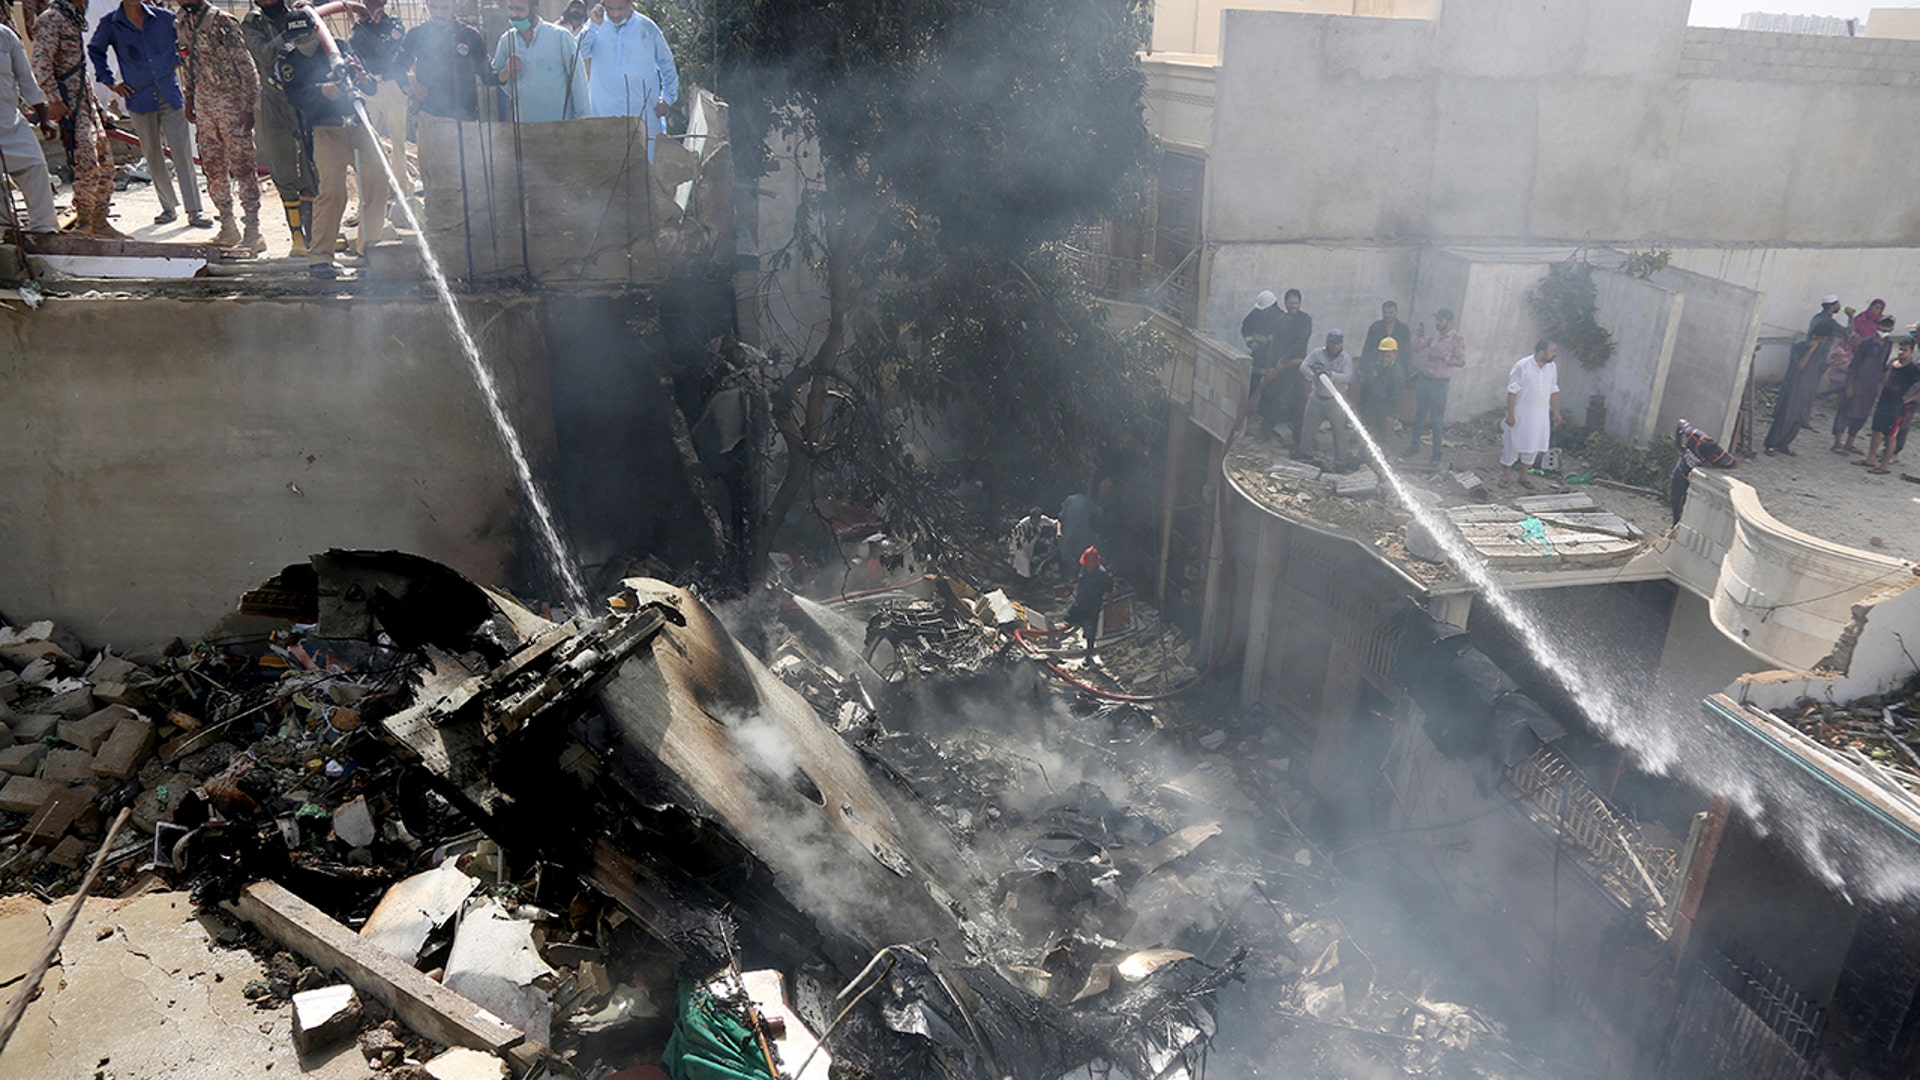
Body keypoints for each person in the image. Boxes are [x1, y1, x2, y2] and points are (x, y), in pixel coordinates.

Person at [271, 8, 388, 279]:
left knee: (377, 182)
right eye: (297, 39)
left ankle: (369, 247)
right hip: (326, 130)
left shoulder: (341, 48)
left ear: (316, 30)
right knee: (333, 191)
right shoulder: (288, 60)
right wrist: (322, 91)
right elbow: (295, 97)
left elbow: (370, 86)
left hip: (359, 124)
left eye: (308, 36)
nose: (304, 43)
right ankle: (320, 257)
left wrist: (361, 78)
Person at [90, 0, 211, 228]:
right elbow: (95, 50)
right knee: (153, 153)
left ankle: (194, 211)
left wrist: (177, 61)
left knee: (182, 151)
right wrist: (110, 82)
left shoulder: (164, 18)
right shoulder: (112, 24)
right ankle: (168, 207)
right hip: (138, 97)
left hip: (169, 93)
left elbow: (186, 42)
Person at [31, 0, 123, 237]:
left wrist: (98, 109)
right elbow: (41, 63)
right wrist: (53, 99)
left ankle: (99, 222)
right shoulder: (51, 19)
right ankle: (84, 225)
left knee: (105, 164)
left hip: (86, 105)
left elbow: (80, 69)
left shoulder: (72, 19)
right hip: (69, 106)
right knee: (87, 164)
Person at [177, 0, 263, 251]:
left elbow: (246, 67)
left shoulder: (221, 21)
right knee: (213, 167)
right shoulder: (182, 21)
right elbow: (188, 65)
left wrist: (248, 107)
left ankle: (253, 229)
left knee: (243, 166)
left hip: (232, 103)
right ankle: (228, 225)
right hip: (205, 106)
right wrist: (190, 100)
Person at [242, 0, 316, 255]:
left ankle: (313, 232)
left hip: (303, 97)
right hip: (272, 99)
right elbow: (262, 54)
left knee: (311, 163)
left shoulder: (300, 13)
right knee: (281, 165)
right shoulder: (253, 23)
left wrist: (305, 17)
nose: (267, 2)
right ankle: (296, 235)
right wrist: (287, 35)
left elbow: (315, 46)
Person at [577, 0, 677, 157]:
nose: (615, 14)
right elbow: (579, 53)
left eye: (620, 9)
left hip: (642, 115)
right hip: (604, 115)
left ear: (631, 3)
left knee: (645, 170)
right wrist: (593, 26)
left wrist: (668, 97)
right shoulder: (595, 26)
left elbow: (667, 64)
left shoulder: (647, 28)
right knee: (607, 170)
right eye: (610, 9)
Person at [347, 0, 411, 215]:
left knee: (398, 141)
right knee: (366, 143)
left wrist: (367, 25)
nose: (372, 5)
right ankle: (368, 199)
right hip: (367, 87)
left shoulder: (395, 25)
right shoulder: (360, 28)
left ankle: (403, 192)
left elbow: (384, 49)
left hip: (392, 85)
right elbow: (355, 50)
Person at [1765, 295, 1847, 456]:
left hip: (1808, 389)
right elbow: (1800, 366)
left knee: (1799, 418)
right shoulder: (1800, 347)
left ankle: (1784, 444)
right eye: (1821, 339)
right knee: (1786, 416)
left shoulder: (1822, 352)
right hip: (1794, 387)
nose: (1823, 343)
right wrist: (1811, 350)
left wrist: (1830, 365)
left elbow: (1820, 369)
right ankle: (1771, 444)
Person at [0, 24, 56, 237]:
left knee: (35, 166)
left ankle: (45, 231)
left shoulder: (5, 36)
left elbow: (26, 80)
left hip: (10, 122)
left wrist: (44, 119)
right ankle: (8, 234)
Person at [492, 0, 588, 122]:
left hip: (560, 127)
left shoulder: (560, 37)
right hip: (523, 128)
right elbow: (496, 77)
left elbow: (579, 84)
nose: (514, 14)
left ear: (535, 10)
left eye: (520, 9)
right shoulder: (507, 40)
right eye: (511, 9)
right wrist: (507, 71)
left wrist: (584, 122)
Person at [395, 0, 490, 123]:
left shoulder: (469, 35)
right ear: (427, 5)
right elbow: (398, 67)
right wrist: (409, 87)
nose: (438, 13)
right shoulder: (416, 34)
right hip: (429, 116)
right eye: (433, 7)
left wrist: (505, 72)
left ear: (455, 6)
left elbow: (486, 72)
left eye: (444, 8)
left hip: (466, 116)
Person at [1406, 307, 1465, 464]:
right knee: (1419, 414)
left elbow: (1461, 361)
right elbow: (1416, 348)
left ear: (1450, 321)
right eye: (1437, 319)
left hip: (1440, 383)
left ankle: (1437, 453)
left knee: (1437, 419)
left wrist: (1442, 357)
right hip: (1425, 379)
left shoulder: (1456, 339)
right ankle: (1414, 445)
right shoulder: (1433, 335)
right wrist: (1419, 337)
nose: (1437, 323)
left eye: (1440, 320)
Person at [1500, 339, 1560, 491]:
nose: (1555, 354)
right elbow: (1512, 391)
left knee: (1534, 446)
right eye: (1552, 351)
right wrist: (1511, 414)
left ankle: (1523, 477)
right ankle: (1506, 477)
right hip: (1521, 414)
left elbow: (1554, 390)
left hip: (1540, 416)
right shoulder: (1522, 366)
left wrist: (1556, 412)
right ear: (1541, 352)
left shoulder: (1552, 367)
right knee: (1512, 445)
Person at [1833, 315, 1895, 455]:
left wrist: (1881, 385)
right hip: (1857, 382)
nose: (1884, 329)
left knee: (1862, 414)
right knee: (1845, 411)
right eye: (1882, 325)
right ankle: (1837, 442)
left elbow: (1883, 366)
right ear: (1878, 325)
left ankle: (1850, 443)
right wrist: (1849, 385)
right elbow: (1854, 366)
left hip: (1871, 386)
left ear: (1892, 329)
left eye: (1887, 326)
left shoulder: (1888, 344)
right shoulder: (1867, 343)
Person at [1299, 329, 1355, 471]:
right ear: (1327, 343)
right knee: (1308, 429)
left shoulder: (1345, 358)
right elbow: (1303, 366)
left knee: (1339, 432)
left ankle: (1340, 462)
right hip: (1317, 397)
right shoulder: (1317, 353)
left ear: (1341, 344)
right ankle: (1306, 455)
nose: (1334, 347)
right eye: (1331, 343)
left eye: (1336, 344)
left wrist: (1331, 375)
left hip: (1336, 401)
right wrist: (1314, 375)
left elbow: (1348, 377)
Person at [1864, 337, 1920, 475]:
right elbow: (1884, 377)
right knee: (1876, 431)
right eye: (1900, 349)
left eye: (1905, 350)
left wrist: (1909, 398)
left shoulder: (1913, 370)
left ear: (1911, 352)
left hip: (1897, 407)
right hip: (1884, 402)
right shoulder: (1892, 363)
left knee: (1890, 435)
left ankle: (1884, 465)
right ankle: (1871, 458)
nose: (1901, 352)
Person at [1359, 300, 1410, 435]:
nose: (1388, 315)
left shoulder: (1403, 329)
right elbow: (1367, 348)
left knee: (1383, 433)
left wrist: (1391, 415)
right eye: (1385, 312)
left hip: (1386, 400)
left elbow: (1396, 397)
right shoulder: (1375, 327)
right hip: (1374, 400)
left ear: (1396, 312)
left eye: (1391, 312)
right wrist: (1362, 370)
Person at [1670, 419, 1735, 525]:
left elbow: (1734, 464)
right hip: (1681, 471)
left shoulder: (1719, 452)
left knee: (1687, 503)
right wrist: (1678, 443)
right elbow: (1680, 422)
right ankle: (1675, 521)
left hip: (1694, 479)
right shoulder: (1693, 435)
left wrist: (1713, 466)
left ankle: (1681, 524)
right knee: (1674, 498)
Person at [1240, 289, 1282, 436]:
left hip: (1271, 359)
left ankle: (1263, 416)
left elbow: (1279, 342)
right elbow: (1245, 328)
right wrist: (1251, 344)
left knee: (1269, 390)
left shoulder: (1280, 319)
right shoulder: (1256, 314)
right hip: (1258, 357)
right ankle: (1249, 412)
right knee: (1253, 384)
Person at [1064, 546, 1112, 662]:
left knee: (1091, 633)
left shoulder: (1102, 574)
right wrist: (1075, 592)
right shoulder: (1084, 569)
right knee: (1068, 617)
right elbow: (1079, 582)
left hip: (1093, 606)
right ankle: (1083, 625)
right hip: (1080, 601)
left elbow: (1109, 591)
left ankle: (1088, 655)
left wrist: (1109, 607)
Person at [1058, 492, 1099, 583]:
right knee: (1080, 555)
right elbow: (1098, 511)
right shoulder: (1087, 501)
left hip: (1069, 532)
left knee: (1065, 554)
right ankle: (1079, 577)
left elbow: (1061, 515)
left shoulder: (1069, 499)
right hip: (1082, 533)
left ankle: (1063, 578)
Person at [1008, 507, 1058, 581]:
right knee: (1024, 564)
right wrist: (1012, 548)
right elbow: (1014, 535)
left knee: (1029, 561)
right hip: (1020, 545)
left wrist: (1058, 531)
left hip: (1030, 545)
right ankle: (1025, 581)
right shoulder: (1023, 523)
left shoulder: (1043, 520)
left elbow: (1054, 523)